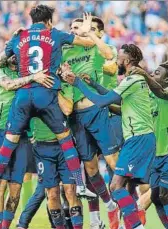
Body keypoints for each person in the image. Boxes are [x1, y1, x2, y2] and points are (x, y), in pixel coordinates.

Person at [0, 5, 97, 199]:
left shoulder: (20, 36)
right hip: (47, 94)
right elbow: (88, 44)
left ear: (32, 20)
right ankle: (80, 185)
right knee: (65, 139)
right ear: (49, 21)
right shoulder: (56, 34)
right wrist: (86, 33)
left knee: (9, 142)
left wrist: (11, 41)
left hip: (23, 96)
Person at [62, 44, 156, 229]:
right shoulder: (133, 79)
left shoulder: (132, 80)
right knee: (123, 185)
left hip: (138, 138)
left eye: (119, 58)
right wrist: (94, 84)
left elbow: (103, 101)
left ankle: (135, 224)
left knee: (117, 186)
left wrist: (78, 83)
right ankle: (134, 224)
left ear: (127, 61)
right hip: (139, 138)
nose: (116, 61)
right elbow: (116, 98)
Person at [62, 17, 120, 229]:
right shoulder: (65, 53)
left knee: (114, 162)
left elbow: (109, 56)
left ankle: (130, 212)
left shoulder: (95, 47)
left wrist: (90, 34)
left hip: (98, 111)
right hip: (76, 117)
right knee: (90, 169)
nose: (73, 30)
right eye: (71, 28)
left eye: (76, 27)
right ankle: (109, 204)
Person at [0, 55, 51, 228]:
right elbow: (8, 84)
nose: (14, 56)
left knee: (16, 187)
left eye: (18, 53)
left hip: (22, 134)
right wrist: (32, 77)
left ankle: (5, 225)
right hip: (0, 131)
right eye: (11, 53)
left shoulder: (28, 74)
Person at [129, 61, 168, 229]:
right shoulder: (150, 99)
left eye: (157, 73)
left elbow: (161, 92)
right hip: (158, 154)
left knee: (166, 196)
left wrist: (144, 74)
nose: (153, 74)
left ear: (166, 81)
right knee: (157, 197)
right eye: (153, 72)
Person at [31, 80, 83, 229]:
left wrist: (56, 89)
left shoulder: (63, 86)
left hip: (64, 147)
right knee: (52, 194)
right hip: (42, 148)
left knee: (70, 191)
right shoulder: (33, 90)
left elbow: (67, 109)